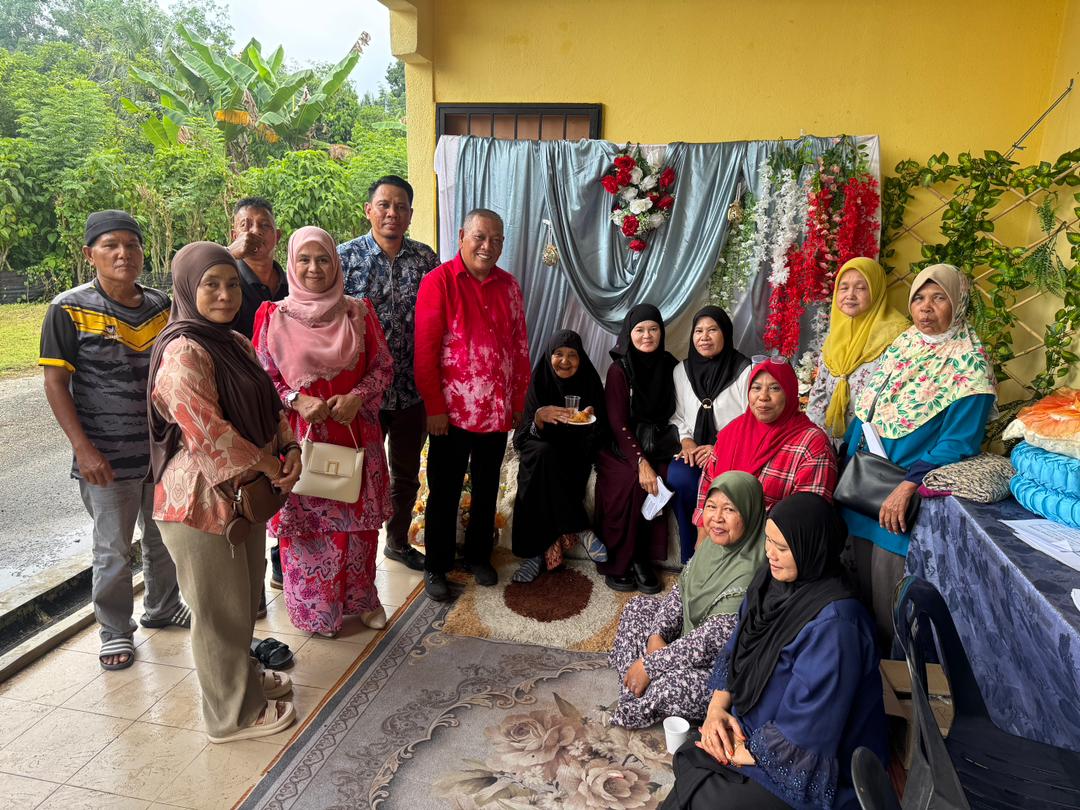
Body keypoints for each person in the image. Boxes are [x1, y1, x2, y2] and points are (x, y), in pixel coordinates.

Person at [149, 241, 300, 744]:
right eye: (210, 284)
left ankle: (244, 679)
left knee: (242, 600)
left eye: (232, 283)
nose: (225, 294)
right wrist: (270, 463)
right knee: (218, 613)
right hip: (198, 503)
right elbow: (209, 434)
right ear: (187, 289)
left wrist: (290, 447)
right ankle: (230, 716)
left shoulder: (232, 342)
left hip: (242, 493)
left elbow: (270, 404)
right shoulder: (183, 352)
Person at [662, 493, 888, 810]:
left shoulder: (838, 627)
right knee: (690, 759)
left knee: (704, 794)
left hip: (804, 755)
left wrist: (741, 752)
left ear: (811, 548)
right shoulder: (770, 583)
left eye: (782, 548)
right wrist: (716, 710)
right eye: (768, 541)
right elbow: (736, 647)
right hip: (755, 726)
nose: (770, 554)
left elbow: (812, 725)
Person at [40, 209, 187, 671]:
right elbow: (55, 384)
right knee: (113, 550)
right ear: (91, 254)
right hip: (104, 457)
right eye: (111, 246)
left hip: (161, 452)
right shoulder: (67, 309)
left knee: (164, 539)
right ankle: (115, 630)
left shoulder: (161, 305)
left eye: (132, 244)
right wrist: (83, 449)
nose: (124, 254)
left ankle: (163, 606)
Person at [842, 263, 996, 645]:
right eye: (919, 298)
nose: (926, 308)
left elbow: (958, 443)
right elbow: (867, 411)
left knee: (890, 603)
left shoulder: (969, 365)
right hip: (862, 487)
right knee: (856, 590)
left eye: (939, 297)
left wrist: (908, 486)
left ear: (958, 303)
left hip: (903, 504)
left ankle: (895, 677)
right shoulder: (906, 344)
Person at [253, 226, 393, 637]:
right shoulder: (273, 317)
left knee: (359, 526)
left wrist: (357, 396)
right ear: (292, 264)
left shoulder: (359, 313)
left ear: (336, 264)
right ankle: (317, 612)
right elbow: (262, 379)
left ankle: (363, 600)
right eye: (304, 259)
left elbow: (383, 368)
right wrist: (296, 399)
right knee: (308, 528)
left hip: (355, 433)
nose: (314, 268)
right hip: (300, 439)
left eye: (323, 259)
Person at [414, 208, 531, 601]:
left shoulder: (509, 286)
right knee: (444, 490)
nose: (487, 246)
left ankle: (479, 556)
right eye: (480, 237)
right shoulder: (438, 282)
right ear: (462, 236)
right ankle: (437, 565)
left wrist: (518, 401)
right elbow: (425, 351)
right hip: (449, 414)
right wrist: (434, 407)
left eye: (496, 240)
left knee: (486, 488)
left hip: (495, 411)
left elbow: (519, 347)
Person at [609, 472, 766, 729]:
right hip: (687, 639)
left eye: (729, 510)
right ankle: (634, 684)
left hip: (720, 672)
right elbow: (681, 591)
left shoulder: (752, 570)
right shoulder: (712, 545)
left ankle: (635, 692)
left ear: (750, 513)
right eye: (711, 506)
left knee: (669, 687)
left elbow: (707, 644)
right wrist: (656, 636)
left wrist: (651, 664)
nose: (717, 518)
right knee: (637, 607)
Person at [339, 176, 439, 572]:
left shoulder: (426, 259)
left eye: (400, 207)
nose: (392, 213)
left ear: (411, 214)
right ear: (369, 210)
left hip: (412, 390)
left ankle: (397, 542)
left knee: (406, 474)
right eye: (384, 205)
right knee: (358, 472)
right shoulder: (344, 258)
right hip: (362, 393)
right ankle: (353, 548)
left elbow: (439, 319)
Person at [510, 330, 609, 583]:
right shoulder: (540, 379)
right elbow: (521, 439)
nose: (565, 361)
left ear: (581, 358)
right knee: (541, 456)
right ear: (549, 356)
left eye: (572, 355)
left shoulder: (589, 380)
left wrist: (589, 420)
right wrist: (538, 419)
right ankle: (580, 527)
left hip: (575, 450)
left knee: (546, 464)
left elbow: (602, 433)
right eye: (559, 354)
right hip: (541, 446)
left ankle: (534, 556)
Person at [227, 196, 288, 597]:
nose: (255, 233)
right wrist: (229, 255)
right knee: (249, 489)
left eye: (263, 225)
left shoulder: (293, 279)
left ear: (277, 235)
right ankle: (250, 589)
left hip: (291, 401)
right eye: (245, 225)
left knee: (287, 482)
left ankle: (284, 563)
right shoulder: (224, 280)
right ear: (233, 233)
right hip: (242, 403)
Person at [594, 304, 679, 594]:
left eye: (653, 329)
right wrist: (640, 461)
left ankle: (643, 558)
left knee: (663, 479)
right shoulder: (619, 369)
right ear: (629, 334)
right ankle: (620, 559)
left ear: (661, 332)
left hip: (658, 442)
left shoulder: (670, 365)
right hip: (620, 445)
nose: (647, 335)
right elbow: (618, 424)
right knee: (630, 481)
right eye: (640, 330)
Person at [694, 359, 836, 525]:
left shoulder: (812, 444)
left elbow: (806, 518)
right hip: (718, 533)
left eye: (775, 388)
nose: (763, 397)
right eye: (756, 388)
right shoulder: (732, 432)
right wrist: (704, 533)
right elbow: (706, 490)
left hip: (769, 538)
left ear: (790, 392)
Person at [667, 306, 752, 563]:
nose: (704, 337)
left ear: (725, 333)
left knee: (723, 484)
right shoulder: (681, 371)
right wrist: (687, 442)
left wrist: (720, 448)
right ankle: (691, 559)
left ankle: (721, 560)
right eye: (699, 331)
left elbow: (750, 419)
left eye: (712, 330)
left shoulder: (744, 370)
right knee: (680, 476)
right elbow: (677, 415)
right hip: (695, 449)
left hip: (732, 450)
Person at [807, 257, 908, 442]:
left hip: (870, 444)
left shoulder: (898, 338)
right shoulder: (836, 336)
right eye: (844, 288)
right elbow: (818, 393)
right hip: (829, 443)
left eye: (860, 288)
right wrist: (815, 441)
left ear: (876, 291)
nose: (850, 295)